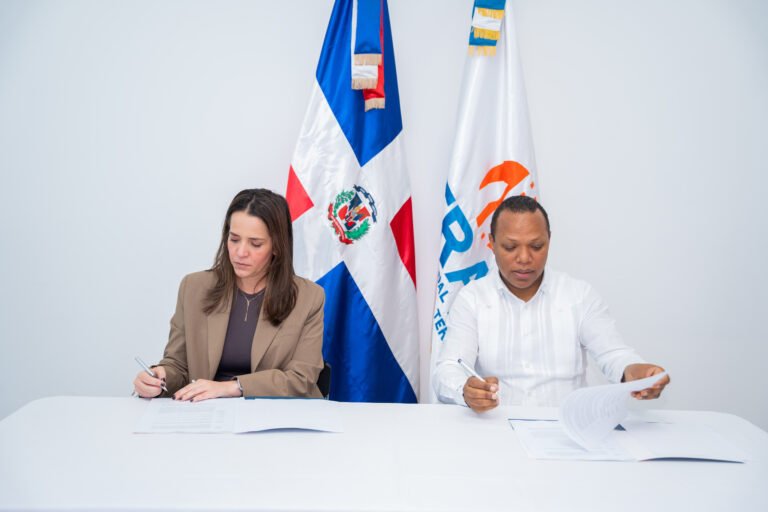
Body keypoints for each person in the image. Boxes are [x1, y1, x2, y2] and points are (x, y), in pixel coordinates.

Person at [432, 195, 670, 412]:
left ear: (549, 240)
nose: (524, 258)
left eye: (536, 246)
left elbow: (613, 354)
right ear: (492, 243)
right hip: (496, 432)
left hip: (567, 433)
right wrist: (465, 390)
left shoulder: (579, 295)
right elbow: (448, 367)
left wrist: (634, 371)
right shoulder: (472, 298)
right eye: (510, 247)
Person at [133, 189, 325, 401]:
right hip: (207, 416)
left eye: (255, 244)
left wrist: (230, 387)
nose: (240, 252)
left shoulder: (309, 298)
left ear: (277, 247)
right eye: (234, 239)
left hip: (274, 417)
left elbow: (301, 379)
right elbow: (178, 365)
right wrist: (160, 378)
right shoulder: (193, 288)